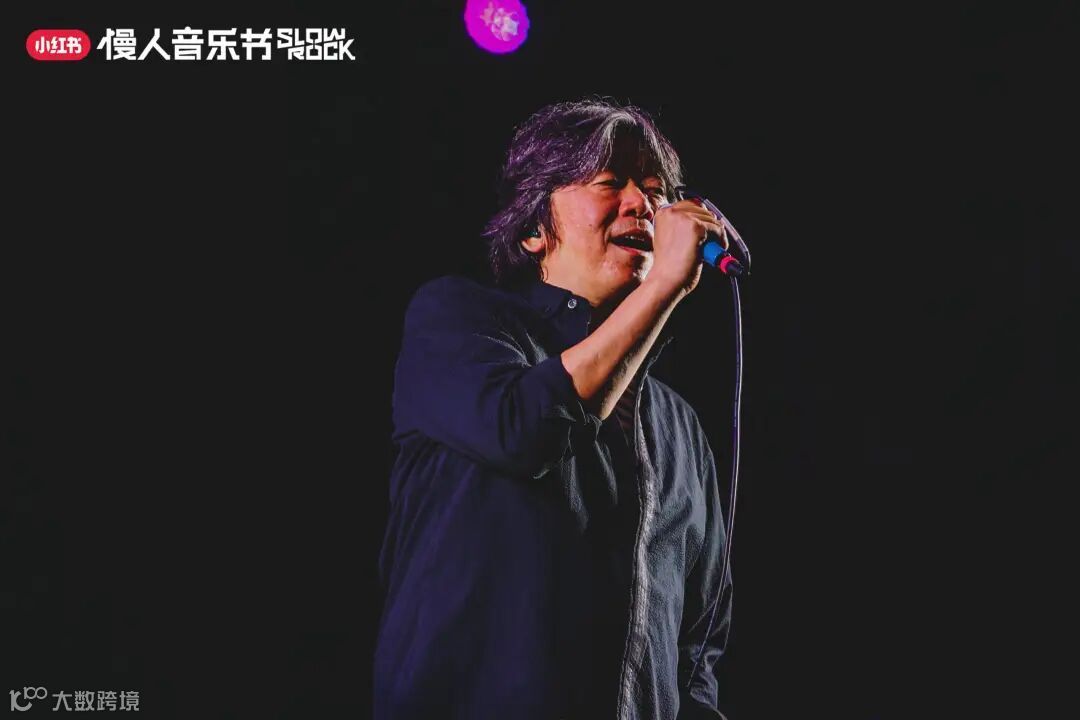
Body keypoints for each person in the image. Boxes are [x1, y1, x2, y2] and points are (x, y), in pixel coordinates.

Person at [374, 99, 733, 720]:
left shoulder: (679, 426)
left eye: (655, 192)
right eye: (609, 182)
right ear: (533, 229)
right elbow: (523, 431)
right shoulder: (459, 323)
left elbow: (700, 637)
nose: (642, 205)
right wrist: (662, 286)